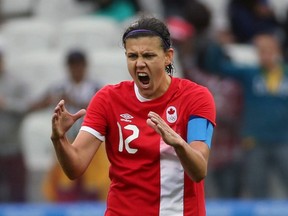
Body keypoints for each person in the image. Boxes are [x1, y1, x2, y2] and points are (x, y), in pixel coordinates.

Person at [50, 17, 216, 215]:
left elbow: (199, 171)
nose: (139, 64)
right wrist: (59, 139)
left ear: (168, 57)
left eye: (148, 56)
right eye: (132, 56)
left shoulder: (196, 97)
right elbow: (74, 168)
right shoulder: (107, 99)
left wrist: (179, 144)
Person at [204, 33, 288, 198]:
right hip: (255, 139)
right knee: (257, 187)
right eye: (261, 51)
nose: (266, 55)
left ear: (278, 52)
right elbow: (217, 67)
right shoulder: (250, 73)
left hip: (284, 139)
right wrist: (218, 46)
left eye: (269, 51)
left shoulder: (285, 74)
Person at [31, 50, 108, 202]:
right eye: (73, 66)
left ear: (85, 67)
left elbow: (104, 108)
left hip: (91, 142)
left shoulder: (95, 87)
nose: (76, 70)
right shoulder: (59, 87)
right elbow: (36, 104)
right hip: (67, 139)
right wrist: (51, 101)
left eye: (79, 66)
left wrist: (72, 101)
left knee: (95, 183)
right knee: (64, 182)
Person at [0, 50, 30, 202]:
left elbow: (27, 106)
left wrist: (6, 104)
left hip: (13, 149)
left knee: (17, 194)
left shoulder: (15, 82)